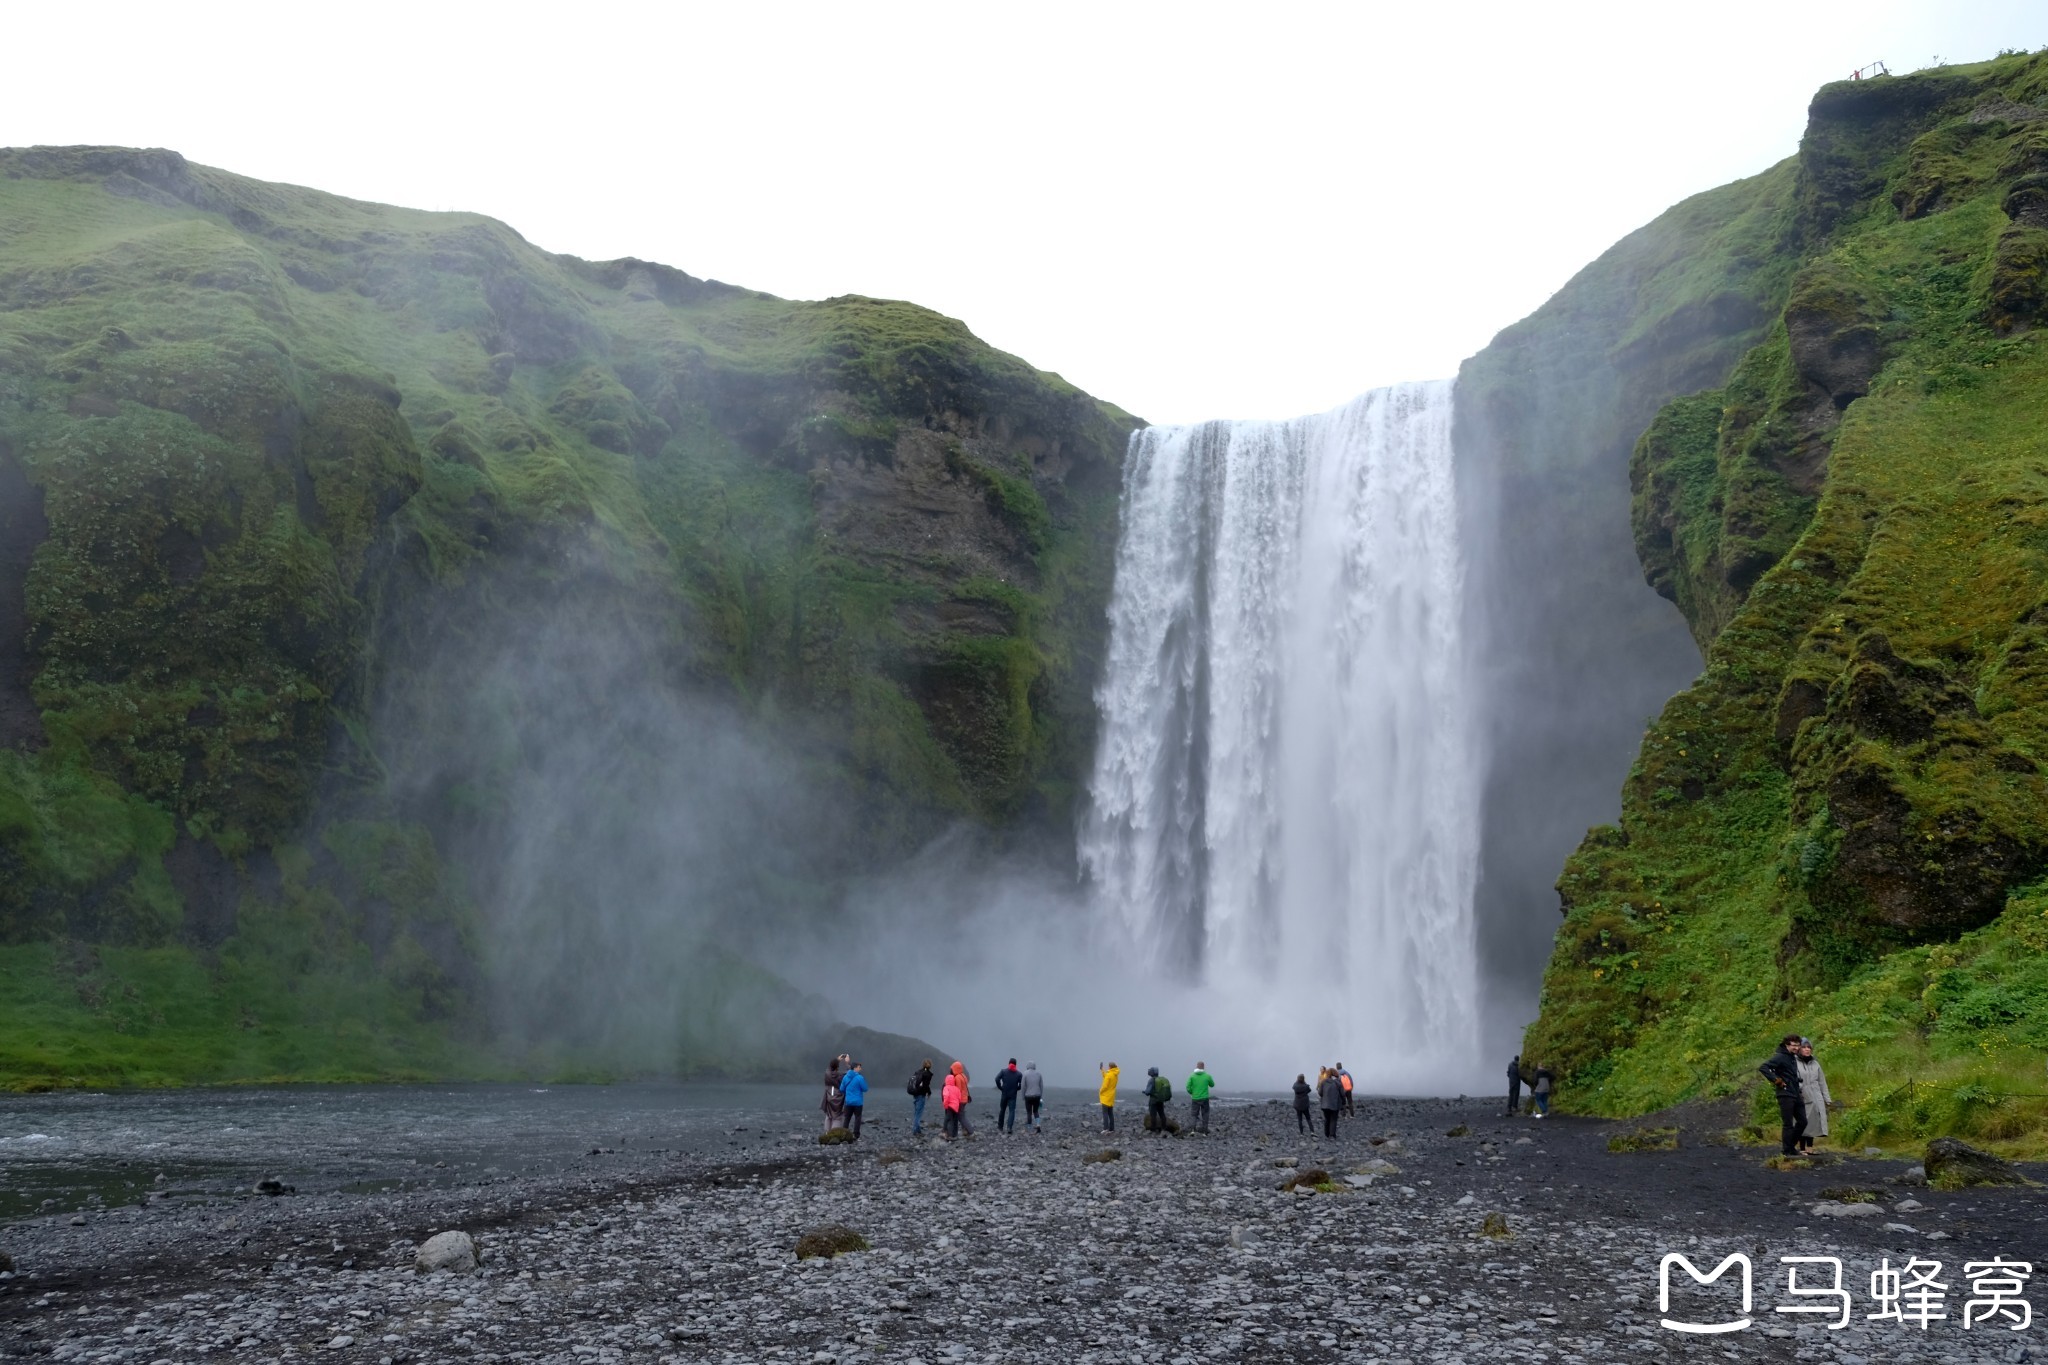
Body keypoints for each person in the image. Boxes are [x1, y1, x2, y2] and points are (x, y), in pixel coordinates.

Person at [1758, 1035, 1807, 1156]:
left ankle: (1790, 1146)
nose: (1796, 1047)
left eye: (1797, 1045)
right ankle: (1787, 1150)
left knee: (1803, 1121)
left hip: (1795, 1093)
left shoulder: (1792, 1057)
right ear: (1787, 1045)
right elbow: (1763, 1067)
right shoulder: (1780, 1057)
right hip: (1785, 1093)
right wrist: (1776, 1080)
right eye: (1793, 1045)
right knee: (1788, 1123)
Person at [1795, 1038, 1832, 1153]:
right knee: (1802, 1122)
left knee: (1813, 1123)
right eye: (1804, 1047)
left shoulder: (1815, 1064)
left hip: (1816, 1096)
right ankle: (1802, 1148)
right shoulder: (1794, 1062)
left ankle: (1810, 1148)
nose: (1807, 1050)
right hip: (1802, 1096)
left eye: (1809, 1047)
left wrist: (1827, 1098)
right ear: (1799, 1049)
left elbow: (1822, 1082)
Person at [995, 1059, 1024, 1135]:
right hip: (1013, 1095)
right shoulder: (1019, 1074)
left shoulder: (1003, 1071)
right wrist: (1016, 1089)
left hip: (1004, 1093)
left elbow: (996, 1079)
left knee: (1002, 1110)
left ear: (1008, 1063)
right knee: (1012, 1111)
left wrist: (1000, 1087)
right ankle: (1009, 1128)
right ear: (1016, 1064)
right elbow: (1021, 1085)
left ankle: (1000, 1127)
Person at [1186, 1061, 1215, 1134]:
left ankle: (1193, 1130)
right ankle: (1204, 1132)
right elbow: (1212, 1084)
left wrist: (1192, 1092)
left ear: (1196, 1066)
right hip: (1205, 1098)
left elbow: (1188, 1087)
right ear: (1203, 1067)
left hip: (1195, 1098)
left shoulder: (1192, 1076)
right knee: (1205, 1114)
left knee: (1194, 1114)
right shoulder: (1207, 1076)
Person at [908, 1059, 934, 1138]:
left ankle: (917, 1129)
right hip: (921, 1095)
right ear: (930, 1065)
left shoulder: (918, 1072)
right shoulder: (927, 1074)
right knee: (918, 1113)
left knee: (916, 1112)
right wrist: (929, 1092)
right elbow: (926, 1085)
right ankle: (916, 1131)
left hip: (915, 1094)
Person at [841, 1063, 867, 1139]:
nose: (860, 1069)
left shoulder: (845, 1077)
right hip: (858, 1102)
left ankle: (844, 1134)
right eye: (859, 1067)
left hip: (848, 1101)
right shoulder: (860, 1078)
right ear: (854, 1068)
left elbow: (841, 1089)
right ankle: (856, 1134)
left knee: (847, 1118)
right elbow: (865, 1089)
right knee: (858, 1118)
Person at [1317, 1066, 1344, 1139]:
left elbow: (1320, 1093)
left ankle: (1326, 1134)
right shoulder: (1338, 1082)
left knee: (1327, 1119)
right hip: (1334, 1104)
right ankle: (1332, 1135)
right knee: (1333, 1119)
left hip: (1325, 1104)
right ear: (1335, 1074)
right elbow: (1343, 1094)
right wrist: (1343, 1102)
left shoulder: (1323, 1082)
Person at [821, 1056, 846, 1132]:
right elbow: (850, 1073)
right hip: (838, 1096)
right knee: (837, 1116)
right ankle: (834, 1133)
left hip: (829, 1095)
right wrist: (847, 1063)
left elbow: (829, 1068)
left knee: (829, 1115)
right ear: (837, 1067)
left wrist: (837, 1060)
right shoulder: (840, 1076)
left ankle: (827, 1132)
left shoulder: (827, 1073)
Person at [1143, 1067, 1172, 1134]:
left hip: (1153, 1100)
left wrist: (1144, 1092)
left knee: (1153, 1115)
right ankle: (1163, 1128)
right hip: (1160, 1100)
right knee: (1162, 1114)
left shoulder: (1151, 1080)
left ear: (1152, 1073)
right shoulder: (1160, 1080)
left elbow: (1148, 1092)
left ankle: (1153, 1129)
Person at [949, 1061, 974, 1138]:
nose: (951, 1070)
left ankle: (970, 1130)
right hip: (965, 1098)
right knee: (962, 1114)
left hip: (961, 1100)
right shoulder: (963, 1076)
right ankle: (965, 1131)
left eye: (952, 1069)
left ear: (955, 1069)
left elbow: (958, 1090)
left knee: (961, 1116)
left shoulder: (957, 1077)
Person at [1020, 1061, 1045, 1133]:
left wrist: (1022, 1096)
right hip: (1037, 1095)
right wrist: (1041, 1096)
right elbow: (1041, 1086)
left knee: (1029, 1112)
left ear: (1028, 1066)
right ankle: (1038, 1124)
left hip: (1028, 1096)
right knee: (1036, 1111)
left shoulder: (1025, 1073)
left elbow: (1023, 1086)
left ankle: (1029, 1127)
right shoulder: (1039, 1074)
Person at [941, 1067, 964, 1141]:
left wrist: (945, 1105)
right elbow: (959, 1097)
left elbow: (946, 1096)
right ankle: (955, 1135)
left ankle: (945, 1131)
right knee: (955, 1120)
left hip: (950, 1106)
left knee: (947, 1119)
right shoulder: (956, 1088)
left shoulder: (946, 1088)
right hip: (956, 1107)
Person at [1098, 1062, 1119, 1132]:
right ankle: (1111, 1129)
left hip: (1106, 1096)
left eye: (1109, 1066)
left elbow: (1105, 1085)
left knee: (1105, 1113)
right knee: (1110, 1113)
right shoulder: (1115, 1075)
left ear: (1110, 1067)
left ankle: (1105, 1128)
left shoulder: (1109, 1075)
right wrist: (1102, 1070)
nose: (1108, 1067)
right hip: (1111, 1096)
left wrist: (1100, 1090)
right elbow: (1106, 1076)